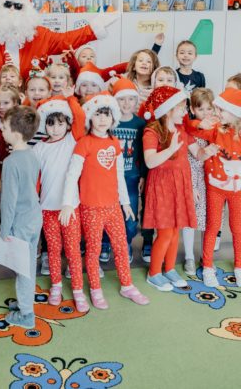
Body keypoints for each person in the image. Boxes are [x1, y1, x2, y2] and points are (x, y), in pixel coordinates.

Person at [60, 92, 149, 309]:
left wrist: (125, 203)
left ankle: (127, 285)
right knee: (93, 250)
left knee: (121, 246)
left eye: (106, 114)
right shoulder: (84, 143)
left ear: (113, 118)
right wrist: (68, 203)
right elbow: (72, 175)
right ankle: (95, 289)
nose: (102, 119)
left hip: (113, 207)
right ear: (90, 117)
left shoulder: (114, 142)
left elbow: (119, 175)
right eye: (98, 114)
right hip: (91, 207)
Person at [142, 86, 212, 291]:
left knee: (174, 233)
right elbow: (150, 161)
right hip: (162, 187)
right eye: (181, 108)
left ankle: (169, 268)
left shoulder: (182, 129)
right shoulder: (152, 131)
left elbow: (197, 154)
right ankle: (154, 273)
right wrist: (171, 149)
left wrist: (210, 150)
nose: (185, 111)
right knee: (165, 233)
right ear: (168, 109)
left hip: (180, 186)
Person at [33, 95, 87, 311]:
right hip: (47, 208)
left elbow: (80, 116)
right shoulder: (39, 147)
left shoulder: (72, 140)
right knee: (53, 250)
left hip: (70, 207)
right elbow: (35, 179)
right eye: (51, 124)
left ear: (68, 124)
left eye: (60, 123)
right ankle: (56, 286)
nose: (55, 129)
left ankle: (77, 290)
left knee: (73, 250)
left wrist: (70, 97)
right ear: (44, 125)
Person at [185, 88, 241, 287]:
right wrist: (199, 123)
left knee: (237, 228)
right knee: (212, 227)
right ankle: (208, 266)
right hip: (215, 189)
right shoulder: (216, 128)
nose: (217, 113)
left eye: (221, 110)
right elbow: (188, 128)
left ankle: (239, 266)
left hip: (237, 191)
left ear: (235, 112)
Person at [0, 106, 43, 329]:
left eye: (4, 127)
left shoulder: (10, 162)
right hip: (34, 217)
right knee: (29, 264)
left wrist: (4, 230)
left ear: (15, 133)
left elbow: (9, 201)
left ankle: (26, 314)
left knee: (22, 269)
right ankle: (26, 302)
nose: (1, 130)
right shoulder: (32, 154)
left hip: (20, 222)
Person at [99, 78, 147, 263]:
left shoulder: (140, 124)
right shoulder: (109, 122)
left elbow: (142, 152)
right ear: (114, 101)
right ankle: (105, 242)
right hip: (108, 178)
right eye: (121, 99)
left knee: (130, 213)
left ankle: (125, 242)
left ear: (136, 101)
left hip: (131, 177)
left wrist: (142, 175)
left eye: (131, 99)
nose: (126, 103)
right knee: (106, 212)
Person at [182, 88, 216, 275]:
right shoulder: (190, 129)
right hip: (193, 177)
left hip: (211, 179)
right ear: (193, 110)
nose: (206, 113)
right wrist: (191, 186)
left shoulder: (217, 128)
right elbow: (188, 161)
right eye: (201, 109)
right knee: (191, 219)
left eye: (209, 109)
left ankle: (206, 256)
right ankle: (189, 256)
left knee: (209, 220)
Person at [0, 84, 21, 193]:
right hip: (4, 171)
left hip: (21, 170)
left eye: (6, 103)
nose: (1, 107)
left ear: (15, 103)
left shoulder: (22, 122)